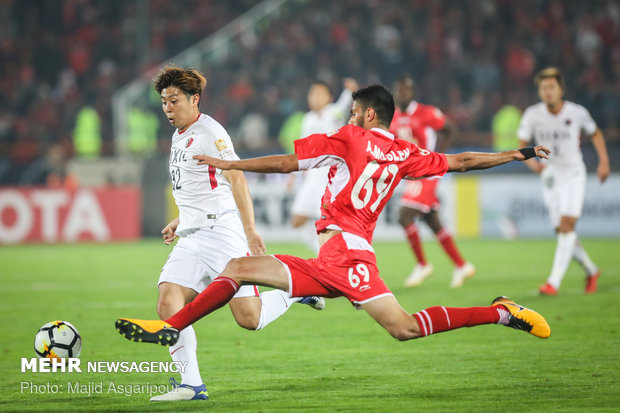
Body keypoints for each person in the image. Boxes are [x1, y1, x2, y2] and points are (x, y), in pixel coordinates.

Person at [116, 85, 551, 364]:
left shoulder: (349, 138)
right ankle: (170, 327)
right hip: (334, 256)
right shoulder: (405, 152)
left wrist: (232, 163)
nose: (347, 119)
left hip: (346, 255)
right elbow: (461, 161)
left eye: (352, 112)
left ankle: (501, 313)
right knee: (238, 268)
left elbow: (288, 163)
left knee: (406, 327)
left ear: (366, 116)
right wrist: (517, 154)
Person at [137, 66, 325, 402]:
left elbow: (236, 178)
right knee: (168, 303)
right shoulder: (179, 134)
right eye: (164, 102)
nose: (167, 108)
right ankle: (191, 385)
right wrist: (181, 219)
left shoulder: (211, 132)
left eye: (173, 100)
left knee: (249, 319)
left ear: (194, 99)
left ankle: (295, 293)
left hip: (221, 232)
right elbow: (201, 186)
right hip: (192, 236)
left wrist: (250, 231)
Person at [517, 67, 610, 295]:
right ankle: (591, 269)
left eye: (552, 87)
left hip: (573, 173)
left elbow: (595, 133)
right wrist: (533, 165)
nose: (548, 92)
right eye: (543, 88)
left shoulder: (576, 112)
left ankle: (553, 282)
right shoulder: (532, 114)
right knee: (561, 230)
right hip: (550, 175)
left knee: (567, 225)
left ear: (561, 89)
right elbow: (521, 143)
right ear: (539, 91)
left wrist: (604, 162)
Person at [389, 76, 474, 288]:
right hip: (412, 172)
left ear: (413, 92)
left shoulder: (426, 113)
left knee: (404, 215)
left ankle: (422, 264)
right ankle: (461, 265)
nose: (402, 93)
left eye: (406, 90)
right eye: (399, 90)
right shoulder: (393, 117)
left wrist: (437, 158)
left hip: (428, 170)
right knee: (431, 220)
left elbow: (451, 130)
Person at [290, 79, 358, 253]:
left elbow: (343, 106)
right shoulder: (307, 119)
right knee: (297, 220)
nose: (315, 97)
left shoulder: (333, 113)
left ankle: (338, 255)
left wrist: (349, 91)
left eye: (320, 94)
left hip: (329, 177)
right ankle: (325, 253)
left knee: (330, 221)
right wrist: (293, 174)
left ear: (329, 98)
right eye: (313, 93)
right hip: (312, 178)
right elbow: (303, 150)